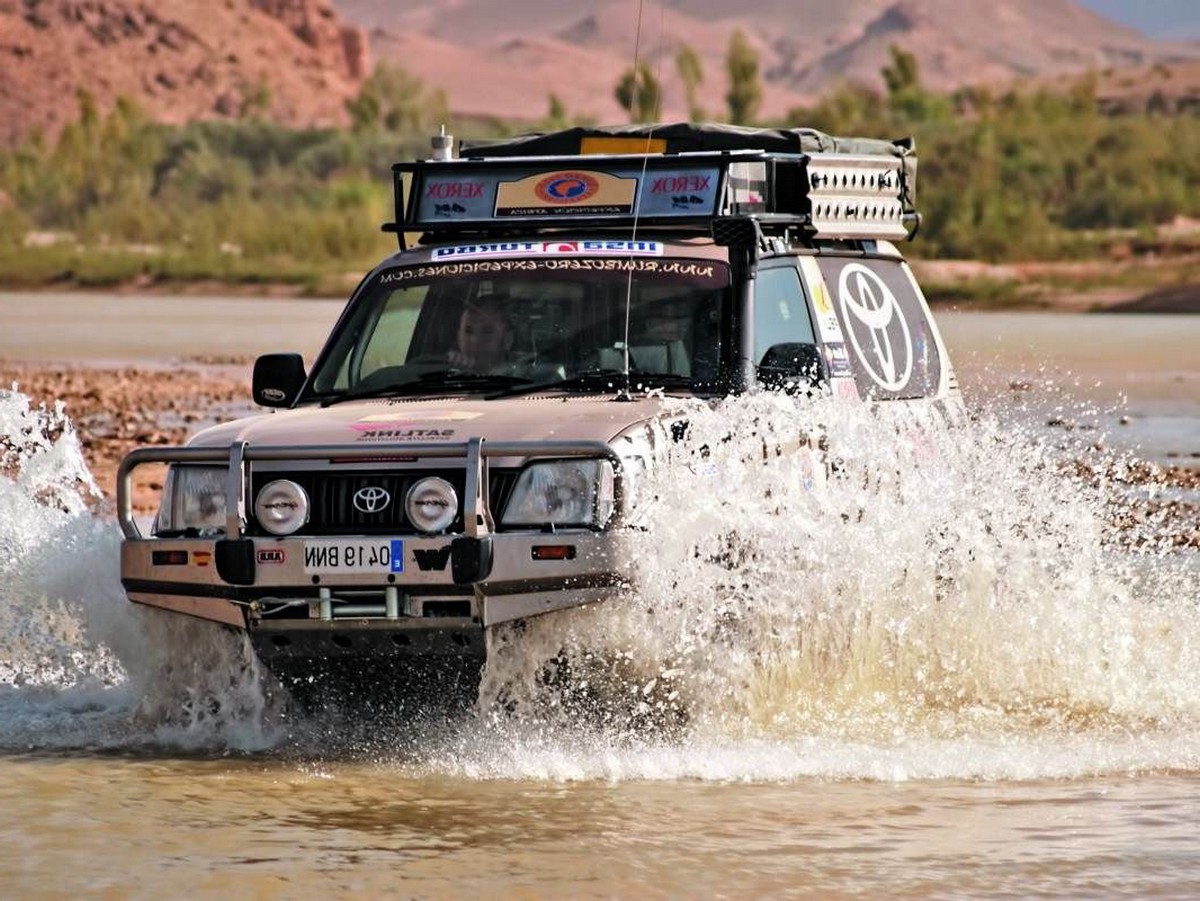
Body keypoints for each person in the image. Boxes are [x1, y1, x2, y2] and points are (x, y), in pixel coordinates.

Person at [447, 296, 514, 372]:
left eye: (487, 332)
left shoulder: (522, 376)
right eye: (468, 331)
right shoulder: (444, 376)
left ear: (507, 340)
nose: (474, 340)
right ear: (459, 337)